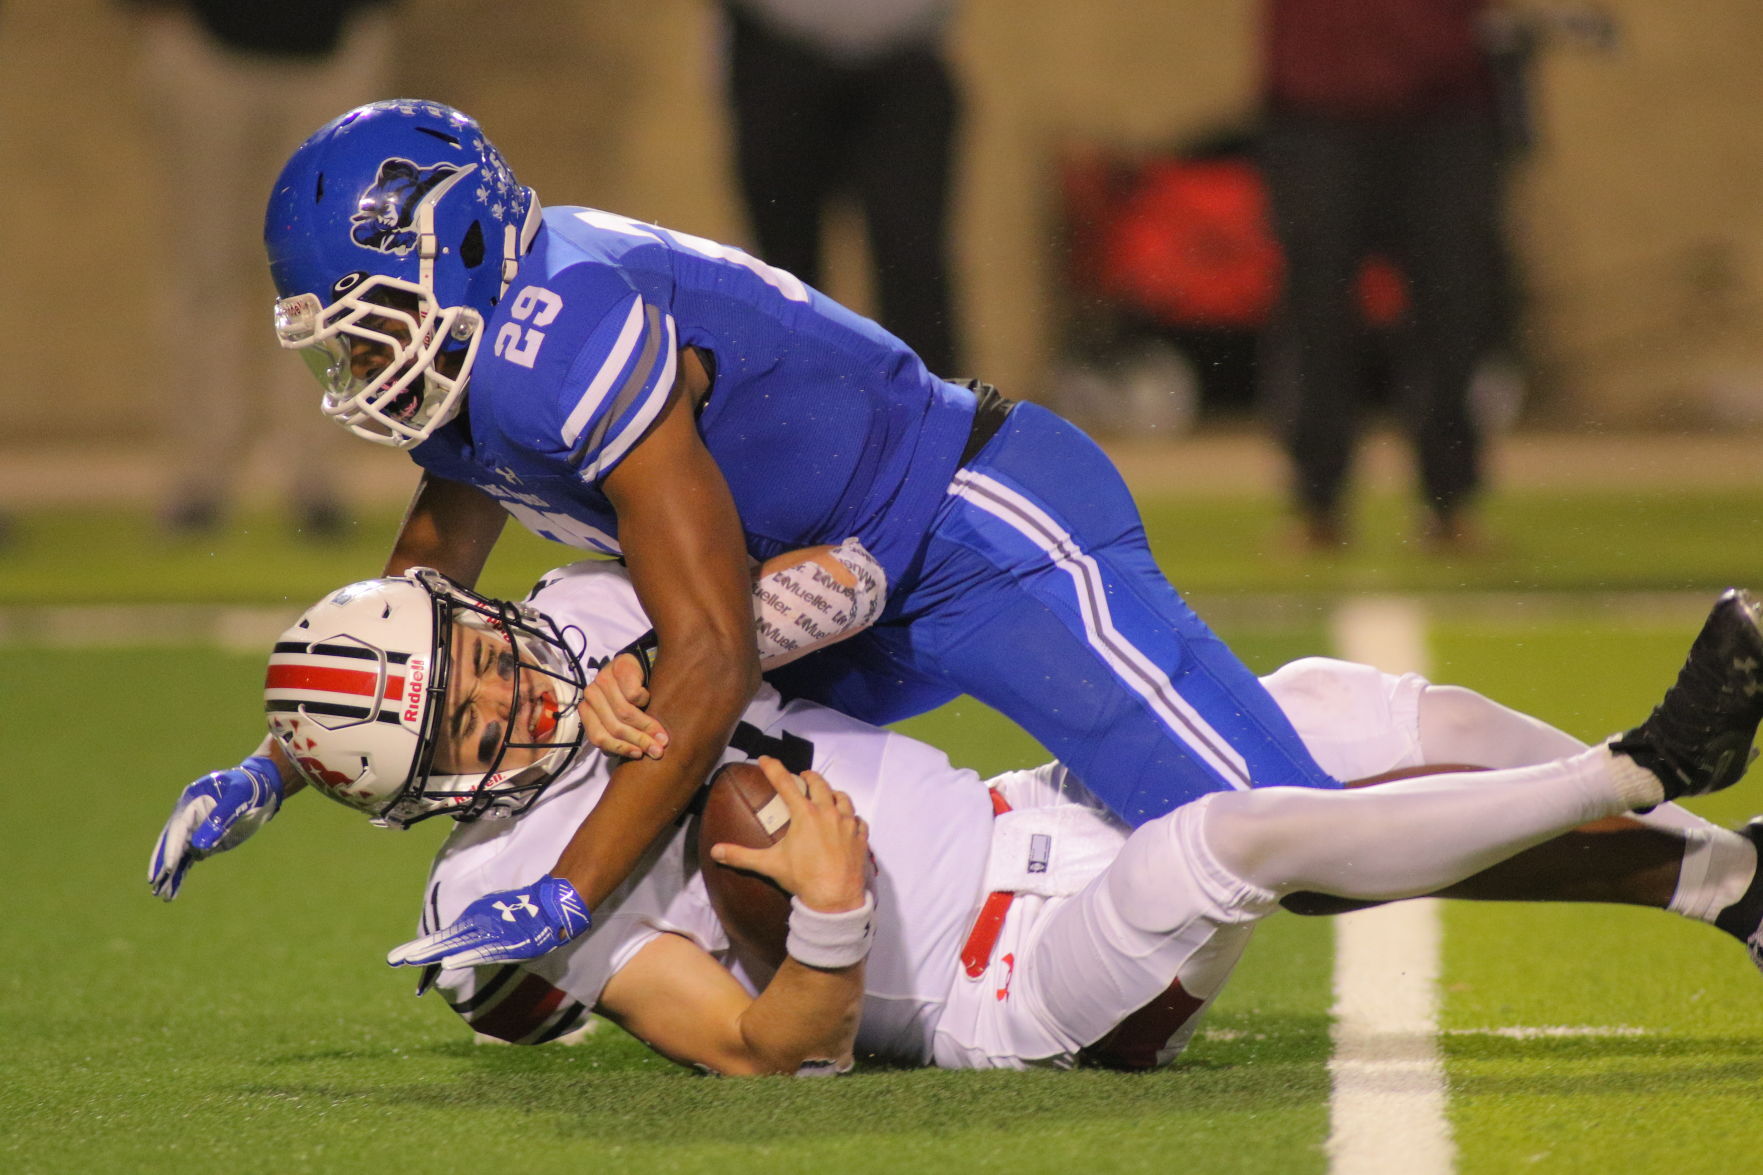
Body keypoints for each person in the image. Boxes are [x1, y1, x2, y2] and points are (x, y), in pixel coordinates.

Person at [250, 97, 1350, 958]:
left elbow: (715, 655)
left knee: (1295, 849)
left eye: (374, 323)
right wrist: (279, 761)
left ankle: (1500, 818)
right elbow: (420, 607)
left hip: (962, 532)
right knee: (606, 726)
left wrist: (563, 894)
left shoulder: (562, 334)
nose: (361, 367)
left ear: (469, 246)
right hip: (836, 591)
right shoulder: (482, 365)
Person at [150, 563, 1763, 1070]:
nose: (515, 686)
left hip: (1016, 813)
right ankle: (1644, 763)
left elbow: (821, 576)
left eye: (482, 654)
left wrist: (273, 766)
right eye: (474, 717)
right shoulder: (509, 883)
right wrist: (835, 917)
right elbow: (754, 1050)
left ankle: (1728, 886)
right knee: (1234, 837)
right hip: (1016, 986)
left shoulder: (583, 610)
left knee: (1325, 703)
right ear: (434, 785)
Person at [124, 0, 398, 535]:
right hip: (203, 38)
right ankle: (200, 474)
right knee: (205, 268)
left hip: (338, 39)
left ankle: (315, 474)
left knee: (325, 272)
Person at [1257, 0, 1507, 552]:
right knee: (1315, 313)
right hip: (1315, 108)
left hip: (1445, 110)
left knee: (1454, 309)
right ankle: (1316, 502)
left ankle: (1450, 503)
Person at [719, 0, 965, 375]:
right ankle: (789, 418)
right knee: (784, 272)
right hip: (774, 48)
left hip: (907, 54)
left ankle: (938, 420)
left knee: (914, 261)